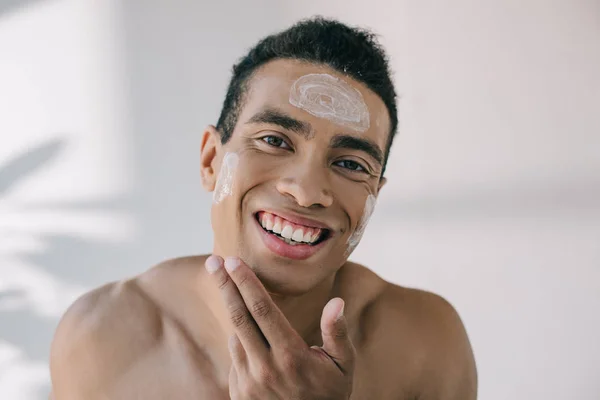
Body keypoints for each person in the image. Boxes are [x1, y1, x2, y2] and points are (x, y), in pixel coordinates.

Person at [49, 17, 477, 399]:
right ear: (210, 162)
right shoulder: (100, 336)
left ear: (374, 198)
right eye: (274, 140)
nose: (307, 191)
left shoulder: (426, 343)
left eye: (350, 164)